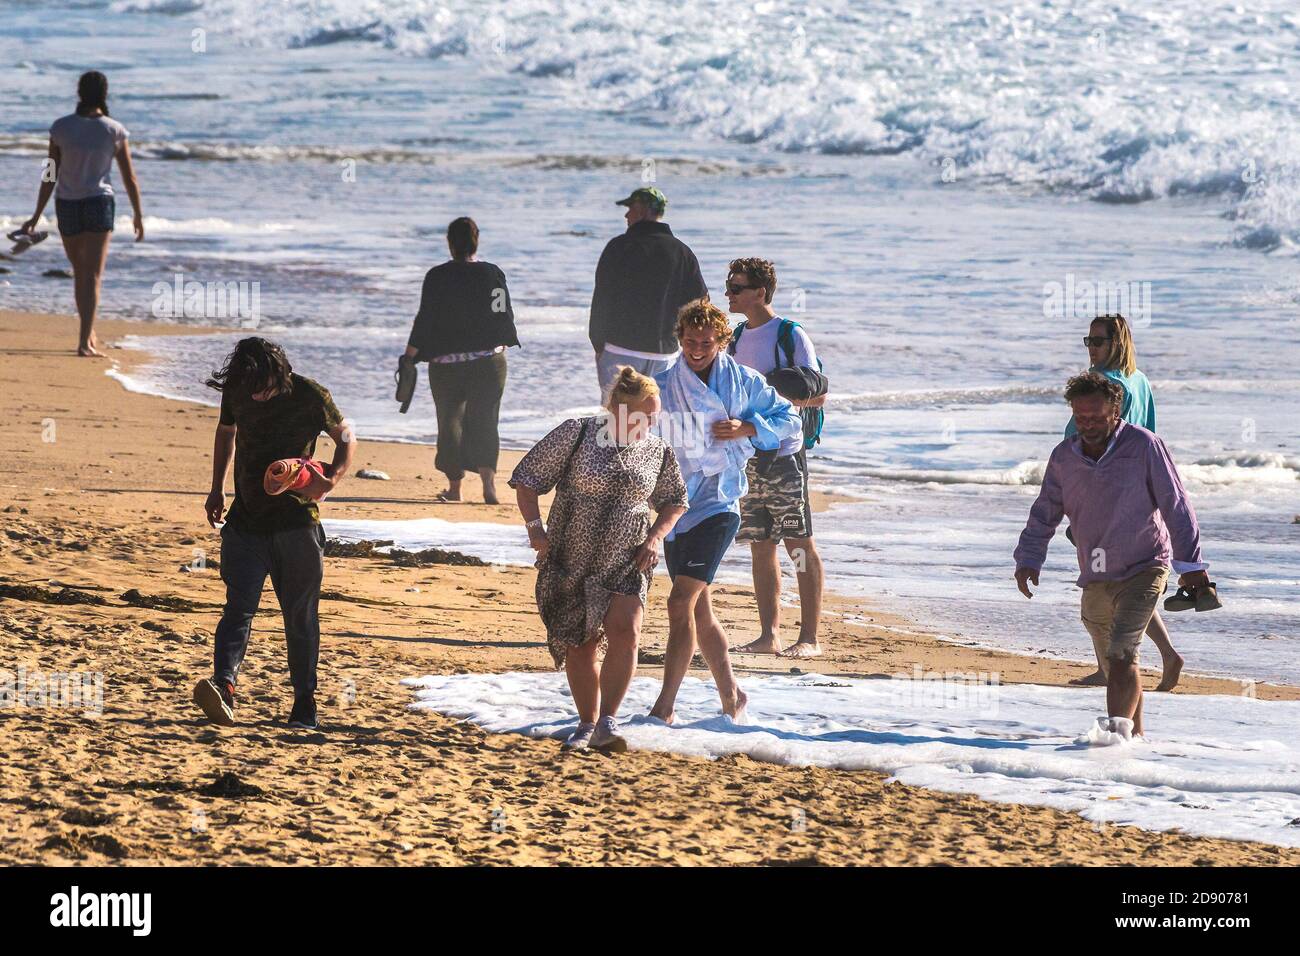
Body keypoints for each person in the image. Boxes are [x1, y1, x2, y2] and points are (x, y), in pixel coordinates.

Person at [1013, 371, 1210, 739]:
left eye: (1097, 418)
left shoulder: (1144, 446)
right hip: (1096, 570)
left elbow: (1176, 505)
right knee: (1119, 662)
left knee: (1122, 654)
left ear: (1116, 412)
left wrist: (1191, 565)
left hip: (1146, 563)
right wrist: (1029, 557)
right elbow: (1045, 511)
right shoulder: (1063, 457)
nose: (1088, 425)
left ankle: (1113, 740)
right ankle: (1136, 741)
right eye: (1081, 417)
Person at [510, 367, 688, 752]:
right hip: (571, 556)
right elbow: (527, 480)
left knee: (627, 630)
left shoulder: (657, 450)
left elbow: (675, 500)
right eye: (645, 414)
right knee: (581, 642)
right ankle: (586, 724)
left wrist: (656, 537)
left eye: (656, 415)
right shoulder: (577, 433)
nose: (652, 422)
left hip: (629, 557)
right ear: (618, 409)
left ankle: (609, 721)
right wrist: (534, 529)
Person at [649, 299, 803, 724]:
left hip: (720, 500)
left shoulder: (744, 382)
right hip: (675, 504)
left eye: (707, 341)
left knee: (679, 602)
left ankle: (664, 707)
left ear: (722, 341)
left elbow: (790, 418)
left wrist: (748, 427)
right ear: (679, 338)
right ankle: (732, 695)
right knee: (700, 609)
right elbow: (630, 425)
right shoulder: (662, 384)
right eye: (690, 340)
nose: (697, 348)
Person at [194, 338, 356, 731]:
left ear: (278, 373)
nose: (256, 395)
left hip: (297, 525)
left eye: (262, 386)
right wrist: (217, 488)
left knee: (299, 617)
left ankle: (304, 704)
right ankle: (224, 686)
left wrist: (330, 480)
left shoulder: (311, 394)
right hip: (245, 522)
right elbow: (225, 433)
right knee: (238, 608)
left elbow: (347, 437)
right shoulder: (240, 387)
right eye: (250, 387)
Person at [1063, 314, 1183, 691]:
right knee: (1128, 581)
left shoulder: (1107, 385)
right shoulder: (1140, 380)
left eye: (1097, 341)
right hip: (1136, 493)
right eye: (1087, 341)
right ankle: (1166, 654)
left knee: (1103, 586)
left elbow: (1083, 441)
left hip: (1102, 493)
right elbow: (1151, 436)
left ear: (1117, 342)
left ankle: (1108, 668)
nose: (1091, 348)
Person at [724, 257, 828, 658]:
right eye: (728, 286)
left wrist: (776, 398)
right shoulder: (735, 338)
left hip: (785, 452)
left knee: (799, 544)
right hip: (746, 453)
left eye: (736, 288)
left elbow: (819, 394)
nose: (729, 294)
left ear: (760, 292)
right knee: (760, 544)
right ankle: (769, 636)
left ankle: (810, 639)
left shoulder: (790, 334)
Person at [20, 71, 144, 357]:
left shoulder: (61, 127)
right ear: (105, 94)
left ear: (79, 93)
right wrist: (138, 214)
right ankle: (84, 339)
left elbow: (49, 174)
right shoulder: (114, 129)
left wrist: (36, 215)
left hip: (68, 204)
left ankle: (87, 334)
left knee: (81, 273)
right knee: (92, 276)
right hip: (99, 203)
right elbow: (130, 178)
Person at [403, 217, 519, 505]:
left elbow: (425, 319)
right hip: (488, 362)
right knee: (486, 420)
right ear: (476, 240)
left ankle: (455, 489)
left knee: (449, 422)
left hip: (446, 365)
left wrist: (410, 355)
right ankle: (489, 486)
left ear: (450, 242)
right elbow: (503, 311)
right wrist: (502, 342)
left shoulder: (438, 276)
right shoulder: (492, 273)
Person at [588, 186, 707, 398]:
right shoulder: (682, 252)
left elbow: (602, 301)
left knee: (618, 421)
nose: (626, 214)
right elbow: (699, 303)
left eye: (630, 208)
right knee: (657, 420)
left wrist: (598, 344)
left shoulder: (619, 247)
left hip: (620, 347)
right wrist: (686, 345)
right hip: (665, 353)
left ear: (643, 210)